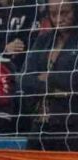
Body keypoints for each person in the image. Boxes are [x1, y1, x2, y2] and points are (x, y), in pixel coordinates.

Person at [21, 0, 78, 151]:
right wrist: (57, 89)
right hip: (40, 123)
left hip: (72, 125)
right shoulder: (43, 40)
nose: (59, 19)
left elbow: (74, 81)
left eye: (65, 13)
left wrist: (49, 77)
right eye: (54, 14)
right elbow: (25, 79)